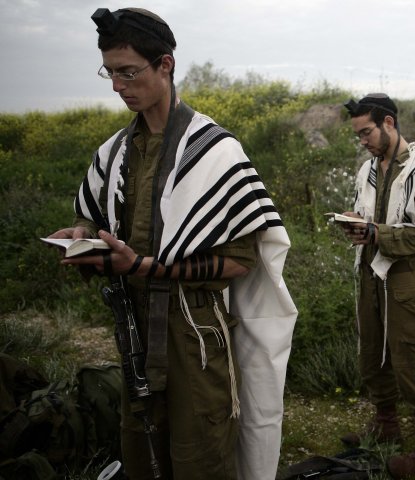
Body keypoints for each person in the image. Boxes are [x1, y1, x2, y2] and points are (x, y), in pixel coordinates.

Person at [46, 8, 297, 480]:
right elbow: (98, 216)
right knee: (142, 448)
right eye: (110, 72)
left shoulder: (216, 151)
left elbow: (239, 262)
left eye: (128, 72)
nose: (118, 86)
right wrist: (81, 236)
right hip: (134, 328)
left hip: (194, 335)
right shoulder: (114, 153)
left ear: (166, 65)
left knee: (201, 454)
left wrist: (148, 268)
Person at [337, 93, 415, 478]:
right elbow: (370, 216)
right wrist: (354, 224)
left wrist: (380, 235)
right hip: (369, 274)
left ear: (389, 123)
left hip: (407, 278)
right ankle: (386, 423)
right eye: (358, 134)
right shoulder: (368, 170)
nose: (362, 141)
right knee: (372, 350)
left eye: (367, 132)